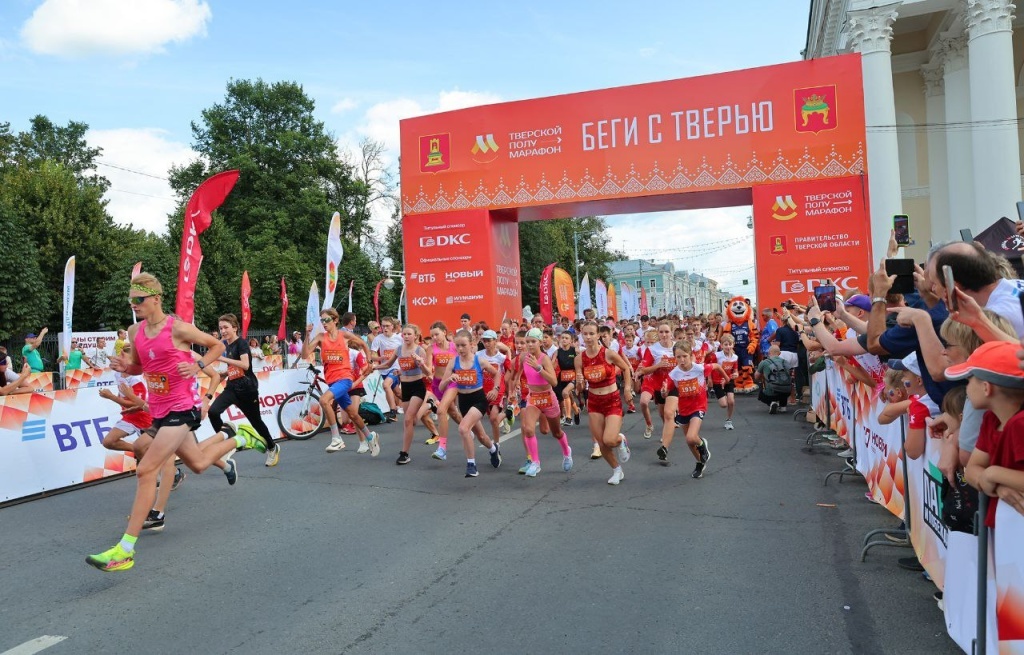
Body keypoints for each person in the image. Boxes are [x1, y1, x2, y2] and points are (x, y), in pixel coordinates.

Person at [86, 273, 264, 572]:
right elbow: (141, 366)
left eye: (139, 299)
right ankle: (240, 438)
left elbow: (216, 346)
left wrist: (197, 364)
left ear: (156, 299)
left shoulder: (178, 328)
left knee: (145, 469)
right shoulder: (134, 331)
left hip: (183, 408)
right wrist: (125, 366)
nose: (134, 305)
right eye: (131, 300)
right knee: (196, 464)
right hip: (158, 410)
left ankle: (125, 550)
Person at [98, 342, 179, 531]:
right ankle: (152, 512)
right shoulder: (119, 372)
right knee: (113, 444)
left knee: (196, 460)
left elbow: (139, 405)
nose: (118, 360)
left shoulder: (138, 380)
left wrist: (112, 397)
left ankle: (228, 440)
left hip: (148, 419)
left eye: (122, 357)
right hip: (132, 418)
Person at [955, 342, 1024, 528]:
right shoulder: (991, 419)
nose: (966, 387)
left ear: (986, 388)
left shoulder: (1020, 424)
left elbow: (983, 472)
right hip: (1004, 529)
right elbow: (971, 470)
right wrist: (999, 486)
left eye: (969, 380)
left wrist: (993, 473)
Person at [301, 308, 381, 457]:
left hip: (345, 378)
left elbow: (363, 345)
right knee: (353, 414)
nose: (324, 323)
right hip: (332, 381)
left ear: (335, 320)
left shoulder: (344, 335)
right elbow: (305, 354)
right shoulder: (320, 337)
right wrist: (307, 335)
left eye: (327, 320)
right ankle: (371, 437)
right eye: (322, 321)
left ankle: (336, 438)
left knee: (324, 400)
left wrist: (369, 361)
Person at [208, 314, 282, 467]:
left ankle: (272, 447)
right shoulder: (225, 346)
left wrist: (222, 359)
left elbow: (245, 365)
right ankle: (226, 444)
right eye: (221, 328)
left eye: (226, 327)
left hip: (247, 390)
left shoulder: (241, 343)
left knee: (256, 422)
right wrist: (220, 376)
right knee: (213, 412)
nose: (223, 331)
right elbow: (234, 369)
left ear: (235, 328)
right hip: (232, 388)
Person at [438, 329, 503, 477]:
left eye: (463, 345)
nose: (460, 349)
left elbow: (496, 373)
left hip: (479, 399)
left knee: (463, 428)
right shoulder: (453, 362)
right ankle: (493, 449)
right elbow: (441, 387)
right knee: (481, 436)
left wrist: (495, 388)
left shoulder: (479, 360)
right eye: (457, 346)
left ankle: (471, 465)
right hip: (464, 401)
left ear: (472, 344)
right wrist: (449, 379)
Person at [576, 320, 633, 484]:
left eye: (591, 333)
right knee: (601, 443)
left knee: (609, 439)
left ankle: (621, 439)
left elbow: (626, 368)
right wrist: (579, 381)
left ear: (598, 335)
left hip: (612, 399)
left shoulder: (608, 353)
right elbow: (580, 388)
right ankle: (617, 470)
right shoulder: (580, 358)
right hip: (594, 401)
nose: (588, 337)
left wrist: (627, 388)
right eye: (585, 334)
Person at [512, 328, 573, 477]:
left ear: (540, 343)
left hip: (548, 397)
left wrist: (538, 368)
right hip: (533, 397)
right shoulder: (523, 357)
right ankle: (535, 463)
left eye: (533, 341)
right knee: (528, 429)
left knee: (556, 433)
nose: (530, 345)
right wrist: (516, 382)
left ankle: (566, 452)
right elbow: (518, 371)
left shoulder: (544, 358)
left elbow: (553, 381)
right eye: (528, 342)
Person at [658, 340, 721, 478]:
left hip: (699, 406)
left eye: (685, 356)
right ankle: (700, 462)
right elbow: (666, 390)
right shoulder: (674, 374)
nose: (682, 360)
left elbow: (716, 365)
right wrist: (663, 392)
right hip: (684, 408)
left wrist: (725, 377)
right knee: (689, 442)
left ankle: (702, 444)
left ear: (691, 355)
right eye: (678, 357)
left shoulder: (700, 368)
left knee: (691, 437)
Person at [378, 324, 432, 465]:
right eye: (404, 334)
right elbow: (388, 364)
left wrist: (420, 363)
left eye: (409, 334)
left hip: (418, 387)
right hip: (405, 387)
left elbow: (428, 374)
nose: (406, 336)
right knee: (412, 421)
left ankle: (404, 453)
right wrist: (373, 366)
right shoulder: (399, 349)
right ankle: (428, 406)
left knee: (407, 420)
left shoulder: (420, 350)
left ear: (415, 336)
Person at [636, 322, 676, 439]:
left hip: (674, 384)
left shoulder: (678, 346)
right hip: (657, 383)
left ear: (672, 333)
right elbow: (644, 369)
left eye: (667, 332)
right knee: (659, 411)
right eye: (661, 332)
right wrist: (658, 365)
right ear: (658, 333)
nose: (664, 335)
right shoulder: (653, 349)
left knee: (668, 413)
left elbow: (689, 362)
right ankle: (651, 425)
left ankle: (666, 436)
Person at [371, 317, 404, 422]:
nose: (385, 328)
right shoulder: (378, 339)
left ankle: (393, 412)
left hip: (396, 368)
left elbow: (406, 352)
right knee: (398, 393)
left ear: (392, 326)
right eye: (383, 326)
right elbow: (373, 356)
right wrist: (380, 358)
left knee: (386, 385)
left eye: (387, 326)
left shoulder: (399, 338)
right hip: (384, 368)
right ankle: (417, 403)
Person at [708, 334, 739, 429]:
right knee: (723, 405)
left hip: (729, 380)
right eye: (726, 344)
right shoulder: (716, 356)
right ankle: (720, 395)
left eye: (730, 344)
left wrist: (736, 374)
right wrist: (709, 379)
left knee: (731, 401)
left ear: (733, 345)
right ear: (721, 345)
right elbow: (709, 367)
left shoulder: (735, 357)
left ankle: (729, 420)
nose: (728, 347)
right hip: (717, 382)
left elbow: (735, 371)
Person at [756, 345, 792, 414]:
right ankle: (783, 406)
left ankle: (771, 402)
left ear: (769, 353)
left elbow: (757, 377)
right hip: (787, 391)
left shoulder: (764, 362)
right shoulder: (786, 362)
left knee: (762, 391)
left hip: (773, 391)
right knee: (783, 384)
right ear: (779, 353)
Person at [554, 331, 580, 426]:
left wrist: (581, 378)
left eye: (566, 338)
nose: (564, 339)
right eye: (563, 338)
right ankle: (577, 412)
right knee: (568, 396)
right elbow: (552, 364)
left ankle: (568, 418)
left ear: (571, 341)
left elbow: (581, 364)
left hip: (573, 376)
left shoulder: (575, 351)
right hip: (562, 377)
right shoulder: (557, 352)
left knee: (565, 393)